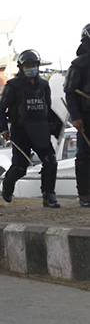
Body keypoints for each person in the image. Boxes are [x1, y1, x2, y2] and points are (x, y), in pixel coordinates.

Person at [0, 50, 61, 208]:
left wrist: (53, 125)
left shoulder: (44, 85)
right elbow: (1, 109)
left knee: (51, 161)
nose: (31, 68)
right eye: (27, 66)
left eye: (33, 65)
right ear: (21, 67)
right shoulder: (12, 86)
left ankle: (49, 195)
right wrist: (4, 129)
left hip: (40, 129)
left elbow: (47, 107)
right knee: (20, 168)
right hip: (21, 131)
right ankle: (8, 184)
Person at [64, 24, 90, 207]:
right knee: (84, 156)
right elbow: (70, 92)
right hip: (86, 117)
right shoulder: (78, 65)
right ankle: (85, 194)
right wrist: (76, 117)